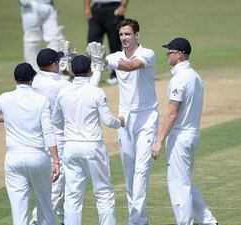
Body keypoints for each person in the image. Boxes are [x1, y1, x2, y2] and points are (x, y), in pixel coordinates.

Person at [0, 63, 60, 225]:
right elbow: (49, 131)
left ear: (15, 79)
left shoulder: (5, 98)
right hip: (38, 157)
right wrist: (56, 160)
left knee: (18, 211)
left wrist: (1, 119)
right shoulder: (41, 99)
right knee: (45, 206)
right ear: (32, 79)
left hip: (13, 158)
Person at [151, 38, 218, 225]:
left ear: (179, 54)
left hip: (180, 136)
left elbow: (172, 113)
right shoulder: (196, 76)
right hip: (192, 134)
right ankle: (209, 221)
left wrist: (158, 141)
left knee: (178, 186)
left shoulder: (180, 79)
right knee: (185, 182)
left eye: (170, 52)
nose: (167, 55)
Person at [52, 55, 125, 225]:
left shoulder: (63, 92)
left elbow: (56, 121)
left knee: (72, 195)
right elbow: (108, 121)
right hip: (93, 147)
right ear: (91, 70)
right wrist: (120, 122)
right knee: (103, 192)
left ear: (71, 70)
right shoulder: (96, 92)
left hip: (70, 147)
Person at [104, 18, 159, 225]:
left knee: (141, 170)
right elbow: (88, 71)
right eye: (121, 35)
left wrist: (106, 61)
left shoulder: (147, 54)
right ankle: (137, 218)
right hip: (125, 118)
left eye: (128, 34)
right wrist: (71, 62)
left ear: (137, 35)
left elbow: (131, 66)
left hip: (147, 117)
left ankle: (136, 220)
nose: (124, 38)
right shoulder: (115, 56)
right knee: (129, 171)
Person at [29, 48, 70, 225]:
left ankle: (64, 218)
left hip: (37, 139)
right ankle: (36, 222)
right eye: (57, 62)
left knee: (62, 184)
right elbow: (84, 91)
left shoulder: (34, 81)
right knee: (56, 185)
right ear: (53, 65)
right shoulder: (62, 84)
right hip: (57, 139)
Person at [84, 0, 129, 84]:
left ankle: (116, 75)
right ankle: (93, 74)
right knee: (92, 44)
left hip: (114, 9)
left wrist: (123, 5)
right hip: (97, 9)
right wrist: (87, 8)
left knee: (115, 43)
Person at [18, 0, 65, 69]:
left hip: (48, 5)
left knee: (55, 38)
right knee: (32, 38)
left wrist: (52, 5)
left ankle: (53, 69)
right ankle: (33, 72)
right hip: (31, 5)